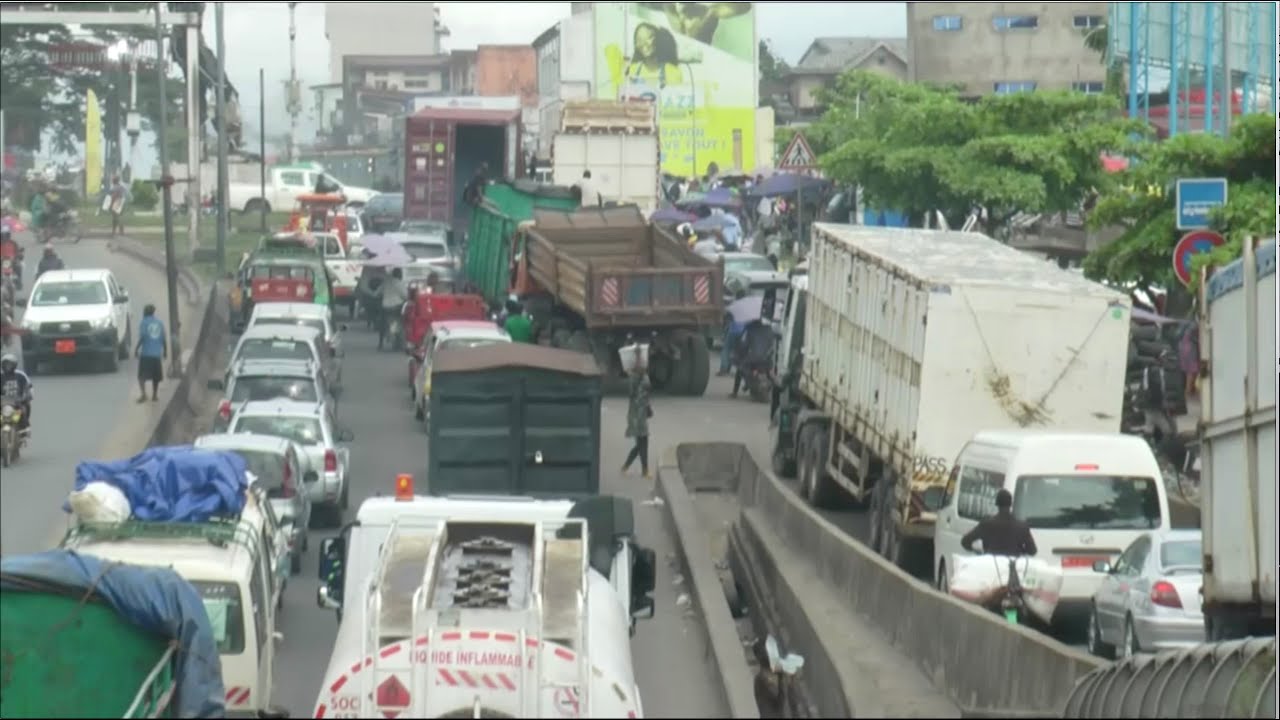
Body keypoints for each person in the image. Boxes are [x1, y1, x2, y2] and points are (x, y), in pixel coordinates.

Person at [960, 490, 1038, 557]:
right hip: (1012, 568)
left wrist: (979, 552)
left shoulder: (986, 524)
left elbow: (965, 542)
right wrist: (1020, 550)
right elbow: (1032, 551)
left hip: (991, 567)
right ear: (1011, 504)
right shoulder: (1022, 527)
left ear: (997, 504)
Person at [639, 2, 753, 46]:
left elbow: (745, 6)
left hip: (703, 60)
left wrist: (712, 11)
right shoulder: (668, 7)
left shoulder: (708, 12)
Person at [622, 23, 683, 93]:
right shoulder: (632, 71)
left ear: (658, 39)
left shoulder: (673, 72)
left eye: (649, 37)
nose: (643, 43)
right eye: (639, 40)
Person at [621, 351, 652, 479]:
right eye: (640, 361)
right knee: (642, 443)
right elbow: (632, 394)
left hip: (642, 413)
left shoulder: (645, 375)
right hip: (635, 415)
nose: (643, 363)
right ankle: (644, 470)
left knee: (642, 443)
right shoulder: (634, 377)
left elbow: (646, 394)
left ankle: (627, 466)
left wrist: (648, 408)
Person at [134, 304, 167, 403]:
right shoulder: (160, 323)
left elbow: (143, 337)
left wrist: (136, 349)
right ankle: (155, 395)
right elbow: (163, 339)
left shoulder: (144, 322)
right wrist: (165, 351)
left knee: (141, 377)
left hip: (146, 354)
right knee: (155, 377)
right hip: (156, 355)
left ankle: (144, 394)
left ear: (145, 312)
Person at [0, 352, 33, 436]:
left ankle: (25, 428)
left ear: (14, 365)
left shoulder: (21, 375)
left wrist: (28, 396)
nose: (8, 366)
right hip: (3, 401)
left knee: (25, 409)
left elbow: (28, 387)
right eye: (6, 364)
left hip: (17, 401)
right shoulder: (1, 376)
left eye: (9, 364)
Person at [718, 287, 748, 378]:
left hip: (733, 330)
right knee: (740, 351)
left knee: (726, 350)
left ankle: (724, 369)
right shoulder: (747, 306)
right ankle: (741, 370)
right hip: (743, 331)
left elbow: (727, 315)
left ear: (737, 296)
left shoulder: (734, 305)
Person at [378, 268, 409, 350]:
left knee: (383, 324)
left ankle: (383, 342)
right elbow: (406, 296)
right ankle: (399, 339)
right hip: (396, 307)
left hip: (385, 307)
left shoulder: (386, 282)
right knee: (401, 321)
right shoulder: (399, 283)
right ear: (399, 275)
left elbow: (378, 293)